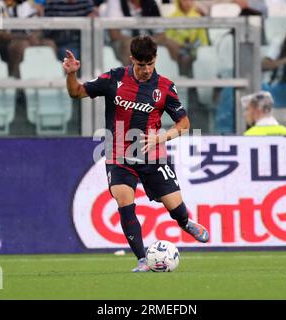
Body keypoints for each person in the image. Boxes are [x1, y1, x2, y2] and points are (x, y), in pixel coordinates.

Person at [62, 35, 209, 272]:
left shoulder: (165, 87)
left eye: (150, 64)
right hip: (119, 154)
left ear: (155, 59)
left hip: (153, 155)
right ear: (132, 60)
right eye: (142, 65)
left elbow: (184, 124)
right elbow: (76, 93)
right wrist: (71, 74)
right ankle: (142, 259)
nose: (147, 70)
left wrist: (160, 138)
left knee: (174, 206)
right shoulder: (114, 78)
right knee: (123, 199)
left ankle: (185, 221)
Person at [102, 0, 181, 67]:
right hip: (122, 42)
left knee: (174, 44)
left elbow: (161, 34)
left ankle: (187, 80)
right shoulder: (115, 2)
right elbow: (114, 35)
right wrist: (138, 42)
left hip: (146, 40)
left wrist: (145, 42)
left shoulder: (151, 3)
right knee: (130, 46)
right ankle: (130, 82)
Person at [165, 0, 209, 77]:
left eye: (190, 0)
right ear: (179, 1)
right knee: (185, 58)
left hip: (194, 49)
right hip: (178, 50)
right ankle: (185, 83)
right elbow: (169, 37)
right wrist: (180, 44)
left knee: (203, 58)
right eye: (185, 1)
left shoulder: (198, 17)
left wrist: (204, 48)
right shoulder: (172, 17)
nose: (188, 3)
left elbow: (203, 38)